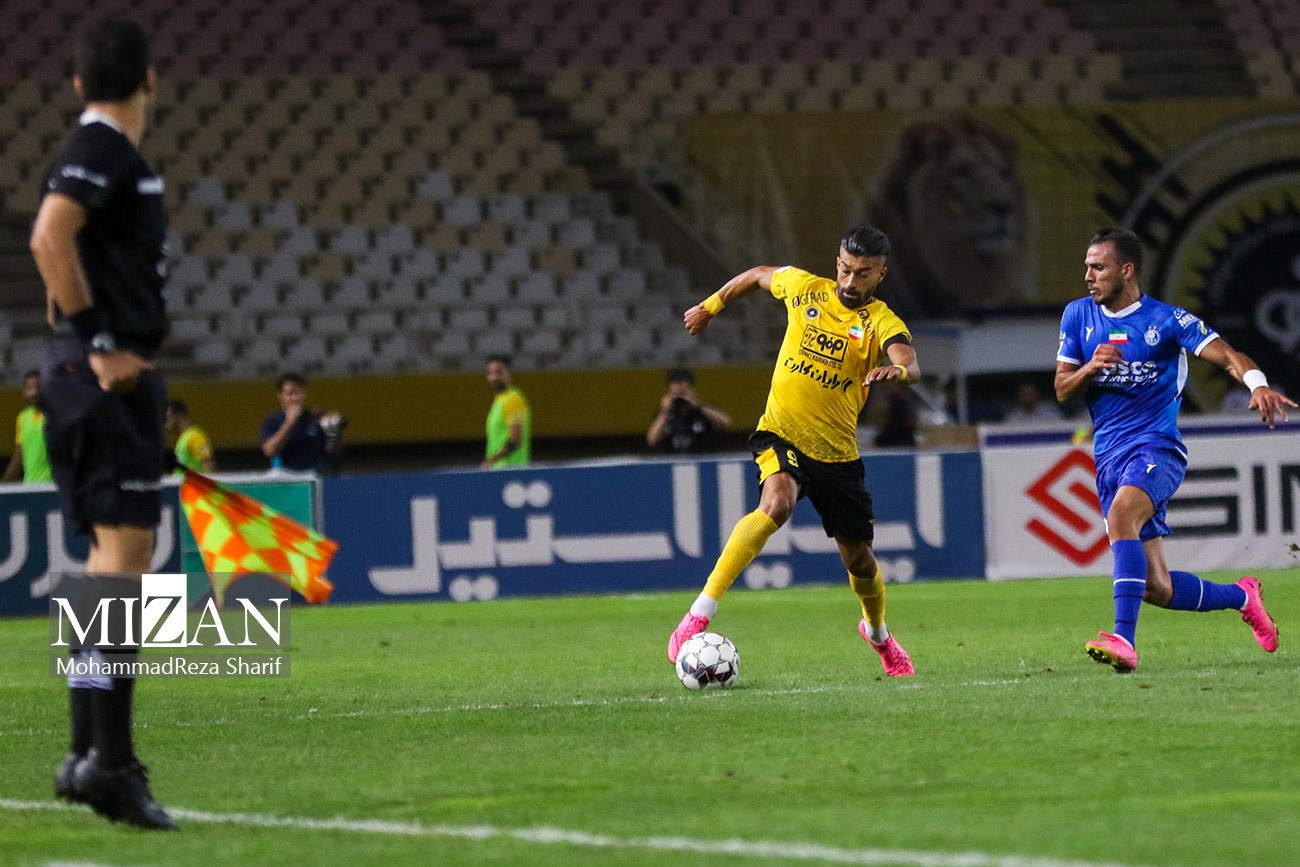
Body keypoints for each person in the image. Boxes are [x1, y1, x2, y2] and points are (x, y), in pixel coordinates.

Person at [29, 16, 175, 829]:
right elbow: (49, 235)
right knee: (124, 561)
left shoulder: (98, 151)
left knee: (104, 566)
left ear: (80, 81)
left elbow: (63, 248)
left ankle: (88, 751)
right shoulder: (103, 148)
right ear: (149, 77)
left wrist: (79, 328)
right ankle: (109, 761)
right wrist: (99, 340)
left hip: (84, 378)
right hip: (103, 381)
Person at [667, 225, 921, 677]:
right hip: (781, 432)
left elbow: (909, 362)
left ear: (880, 275)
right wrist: (710, 306)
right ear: (836, 263)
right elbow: (757, 275)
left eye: (863, 274)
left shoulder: (880, 320)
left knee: (860, 560)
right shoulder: (805, 288)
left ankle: (878, 633)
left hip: (837, 453)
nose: (850, 281)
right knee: (777, 503)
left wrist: (897, 372)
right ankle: (699, 613)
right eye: (845, 269)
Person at [1054, 228, 1294, 673]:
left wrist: (1257, 384)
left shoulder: (1166, 320)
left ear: (1126, 270)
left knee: (1123, 518)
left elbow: (1227, 355)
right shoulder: (1077, 315)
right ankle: (1244, 597)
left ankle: (1124, 641)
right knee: (1157, 587)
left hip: (1156, 448)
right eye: (1087, 266)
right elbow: (1062, 389)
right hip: (1108, 457)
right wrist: (1091, 367)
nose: (1088, 275)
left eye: (1098, 267)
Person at [259, 372, 343, 474]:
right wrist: (289, 423)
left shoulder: (316, 418)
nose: (295, 398)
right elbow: (269, 451)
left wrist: (334, 431)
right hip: (284, 475)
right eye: (290, 394)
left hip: (314, 475)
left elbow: (331, 450)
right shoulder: (273, 421)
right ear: (281, 397)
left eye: (299, 393)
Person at [646, 367, 731, 453]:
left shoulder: (703, 411)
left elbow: (725, 422)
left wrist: (698, 406)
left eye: (683, 393)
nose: (680, 398)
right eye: (676, 394)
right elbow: (652, 440)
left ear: (693, 391)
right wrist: (664, 411)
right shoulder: (665, 414)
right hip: (672, 457)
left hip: (700, 456)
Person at [2, 370, 53, 483]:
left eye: (38, 387)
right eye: (29, 388)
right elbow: (19, 455)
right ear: (24, 392)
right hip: (30, 484)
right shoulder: (23, 418)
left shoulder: (54, 415)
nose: (34, 392)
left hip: (52, 484)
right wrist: (5, 483)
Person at [481, 355, 531, 469]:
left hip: (511, 470)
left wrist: (491, 460)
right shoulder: (499, 402)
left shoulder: (513, 400)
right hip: (499, 469)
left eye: (499, 372)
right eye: (491, 373)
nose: (495, 377)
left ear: (509, 373)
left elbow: (515, 439)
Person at [164, 399, 214, 473]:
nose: (166, 423)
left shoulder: (195, 437)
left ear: (178, 416)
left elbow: (208, 466)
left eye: (168, 418)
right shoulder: (183, 439)